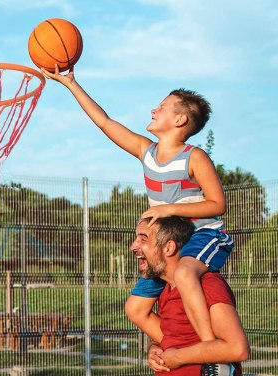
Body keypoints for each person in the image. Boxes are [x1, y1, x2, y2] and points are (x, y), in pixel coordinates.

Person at [42, 65, 233, 344]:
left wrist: (169, 209)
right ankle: (175, 348)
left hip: (204, 235)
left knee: (184, 272)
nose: (154, 110)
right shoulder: (147, 152)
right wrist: (71, 84)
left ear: (180, 119)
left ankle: (209, 346)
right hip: (168, 241)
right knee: (135, 309)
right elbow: (105, 122)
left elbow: (217, 204)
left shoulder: (194, 157)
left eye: (162, 107)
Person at [130, 216, 249, 375]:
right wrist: (154, 349)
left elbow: (236, 348)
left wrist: (178, 357)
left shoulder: (207, 284)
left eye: (143, 239)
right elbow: (171, 336)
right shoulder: (165, 290)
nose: (133, 246)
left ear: (168, 248)